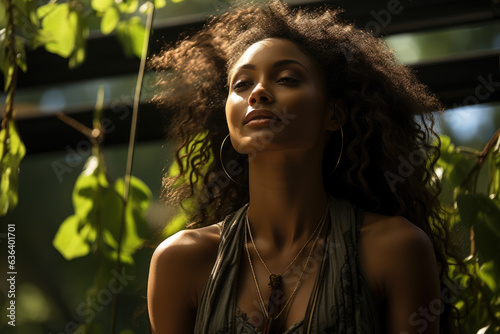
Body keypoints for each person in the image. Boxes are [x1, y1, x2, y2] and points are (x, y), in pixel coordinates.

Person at [147, 1, 460, 333]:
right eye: (241, 84)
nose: (258, 93)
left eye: (286, 78)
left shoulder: (395, 249)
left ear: (334, 114)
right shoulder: (181, 262)